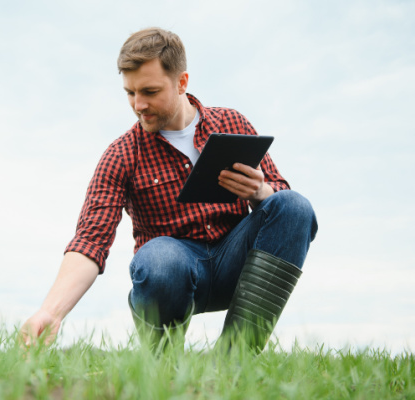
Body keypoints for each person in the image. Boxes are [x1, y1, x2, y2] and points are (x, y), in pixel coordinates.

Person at [20, 27, 318, 352]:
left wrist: (259, 191)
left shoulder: (232, 124)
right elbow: (90, 240)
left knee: (293, 205)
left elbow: (283, 208)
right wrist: (51, 311)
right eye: (130, 93)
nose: (138, 105)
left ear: (182, 82)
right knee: (161, 258)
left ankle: (237, 357)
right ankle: (163, 364)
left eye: (149, 91)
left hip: (241, 266)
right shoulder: (122, 154)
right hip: (170, 276)